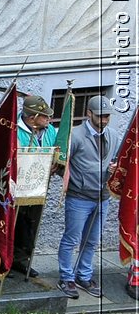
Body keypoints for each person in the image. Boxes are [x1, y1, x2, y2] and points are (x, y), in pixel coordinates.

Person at [58, 96, 117, 299]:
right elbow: (61, 165)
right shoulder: (74, 135)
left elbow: (114, 160)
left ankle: (83, 276)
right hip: (79, 197)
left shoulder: (112, 135)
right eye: (100, 116)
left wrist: (114, 170)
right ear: (89, 114)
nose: (104, 120)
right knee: (71, 238)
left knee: (91, 241)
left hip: (102, 197)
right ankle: (66, 277)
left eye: (107, 116)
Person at [12, 93, 62, 278]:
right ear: (32, 118)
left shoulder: (50, 130)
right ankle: (3, 260)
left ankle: (22, 260)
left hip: (40, 187)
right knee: (13, 223)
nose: (49, 119)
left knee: (31, 224)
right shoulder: (13, 129)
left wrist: (56, 162)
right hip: (17, 187)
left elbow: (58, 150)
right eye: (45, 116)